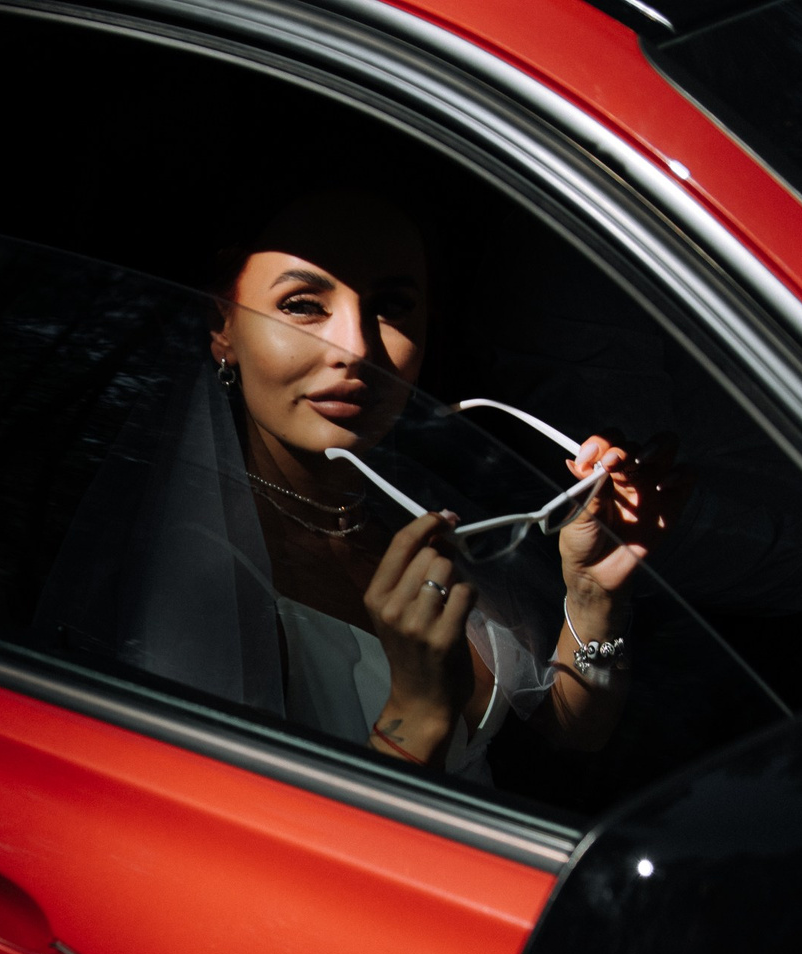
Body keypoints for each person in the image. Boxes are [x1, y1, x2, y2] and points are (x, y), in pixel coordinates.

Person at [203, 189, 678, 776]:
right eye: (303, 305)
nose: (356, 349)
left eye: (392, 306)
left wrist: (593, 593)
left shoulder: (422, 516)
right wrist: (417, 715)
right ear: (222, 327)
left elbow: (574, 729)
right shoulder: (201, 575)